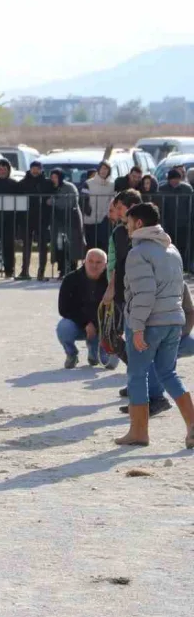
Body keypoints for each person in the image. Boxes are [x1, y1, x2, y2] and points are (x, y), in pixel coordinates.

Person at [116, 202, 194, 448]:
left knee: (137, 374)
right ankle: (193, 425)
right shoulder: (172, 250)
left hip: (150, 322)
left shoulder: (138, 253)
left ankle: (138, 432)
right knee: (168, 373)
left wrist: (137, 328)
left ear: (139, 223)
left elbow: (144, 294)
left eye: (128, 223)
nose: (126, 228)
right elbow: (180, 289)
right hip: (174, 320)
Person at [57, 248, 114, 369]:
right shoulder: (70, 279)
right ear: (84, 262)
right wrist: (86, 323)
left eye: (99, 262)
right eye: (90, 261)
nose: (94, 265)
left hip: (103, 327)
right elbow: (63, 308)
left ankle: (94, 352)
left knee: (108, 363)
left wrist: (101, 327)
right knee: (63, 328)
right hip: (78, 324)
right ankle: (71, 354)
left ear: (105, 265)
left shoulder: (111, 282)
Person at [48, 169, 85, 279]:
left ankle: (72, 269)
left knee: (72, 245)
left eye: (55, 177)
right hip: (58, 222)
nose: (53, 179)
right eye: (52, 177)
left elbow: (71, 201)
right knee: (59, 246)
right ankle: (62, 269)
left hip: (71, 220)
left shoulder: (70, 187)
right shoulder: (51, 188)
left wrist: (54, 202)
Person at [18, 160, 50, 280]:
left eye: (37, 168)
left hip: (42, 218)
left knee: (43, 246)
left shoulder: (47, 183)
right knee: (26, 245)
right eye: (33, 168)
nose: (35, 171)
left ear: (41, 169)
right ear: (30, 169)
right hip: (26, 218)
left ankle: (41, 272)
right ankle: (24, 271)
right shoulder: (22, 183)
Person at [155, 169, 193, 265]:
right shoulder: (162, 189)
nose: (175, 181)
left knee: (182, 246)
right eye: (173, 179)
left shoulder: (187, 189)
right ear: (169, 180)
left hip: (183, 223)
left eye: (177, 179)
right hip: (167, 223)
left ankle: (182, 265)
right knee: (168, 245)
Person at [0, 158, 18, 278]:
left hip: (9, 219)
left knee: (8, 246)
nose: (2, 171)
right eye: (0, 169)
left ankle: (9, 271)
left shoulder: (13, 184)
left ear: (8, 170)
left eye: (5, 169)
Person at [84, 161, 115, 250]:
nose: (104, 171)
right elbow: (83, 199)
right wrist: (87, 211)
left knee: (104, 247)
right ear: (98, 170)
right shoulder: (88, 183)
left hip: (105, 220)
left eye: (106, 169)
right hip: (90, 221)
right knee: (90, 247)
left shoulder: (112, 185)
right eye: (102, 169)